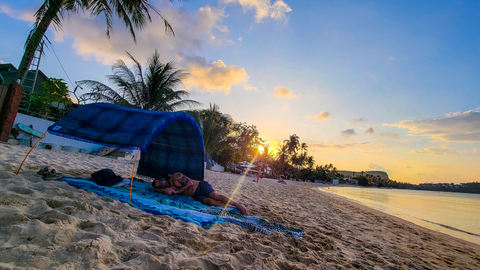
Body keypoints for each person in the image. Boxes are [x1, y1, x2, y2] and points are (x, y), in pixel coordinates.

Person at [152, 172, 248, 215]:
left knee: (215, 196)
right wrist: (160, 190)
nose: (162, 185)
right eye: (160, 186)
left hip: (200, 186)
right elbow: (168, 193)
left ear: (163, 179)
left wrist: (177, 191)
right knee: (212, 202)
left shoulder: (176, 176)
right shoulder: (168, 188)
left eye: (161, 182)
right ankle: (234, 209)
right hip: (195, 195)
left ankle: (237, 205)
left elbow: (189, 183)